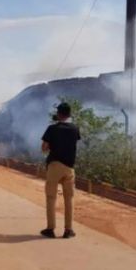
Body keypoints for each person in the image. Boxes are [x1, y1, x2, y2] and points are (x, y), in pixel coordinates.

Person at [40, 102, 81, 239]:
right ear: (69, 114)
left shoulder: (52, 128)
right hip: (69, 168)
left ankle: (50, 229)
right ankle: (68, 230)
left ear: (59, 114)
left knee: (51, 197)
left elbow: (44, 147)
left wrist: (51, 146)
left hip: (55, 165)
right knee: (69, 199)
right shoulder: (75, 129)